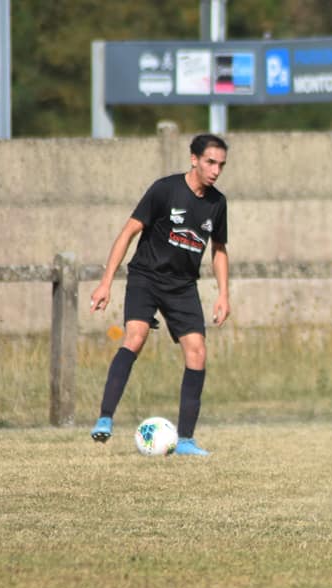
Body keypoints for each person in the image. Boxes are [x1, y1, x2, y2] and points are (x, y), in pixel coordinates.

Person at [89, 133, 231, 456]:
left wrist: (224, 294)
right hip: (146, 277)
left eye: (221, 165)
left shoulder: (217, 203)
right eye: (210, 162)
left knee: (197, 352)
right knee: (135, 336)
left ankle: (185, 441)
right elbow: (128, 232)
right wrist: (106, 282)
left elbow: (219, 250)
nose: (216, 171)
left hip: (183, 286)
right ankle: (105, 419)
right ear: (194, 159)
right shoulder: (165, 190)